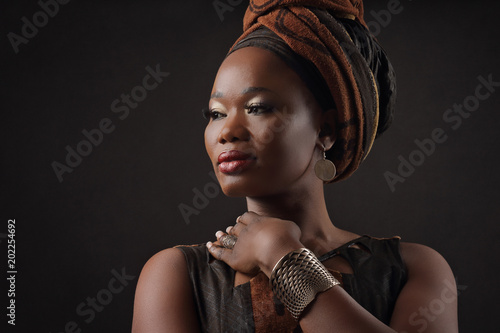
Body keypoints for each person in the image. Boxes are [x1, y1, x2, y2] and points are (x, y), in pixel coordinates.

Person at [132, 0, 458, 332]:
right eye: (217, 113)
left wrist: (282, 256)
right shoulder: (178, 275)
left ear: (327, 130)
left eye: (257, 107)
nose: (227, 132)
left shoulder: (412, 270)